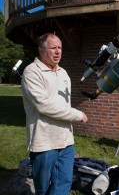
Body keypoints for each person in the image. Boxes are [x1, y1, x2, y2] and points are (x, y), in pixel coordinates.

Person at [21, 33, 88, 195]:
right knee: (42, 188)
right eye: (53, 48)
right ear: (41, 50)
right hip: (44, 142)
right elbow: (44, 105)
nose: (58, 51)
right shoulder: (32, 72)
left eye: (60, 48)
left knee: (63, 183)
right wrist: (77, 115)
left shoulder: (63, 73)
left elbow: (63, 102)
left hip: (66, 140)